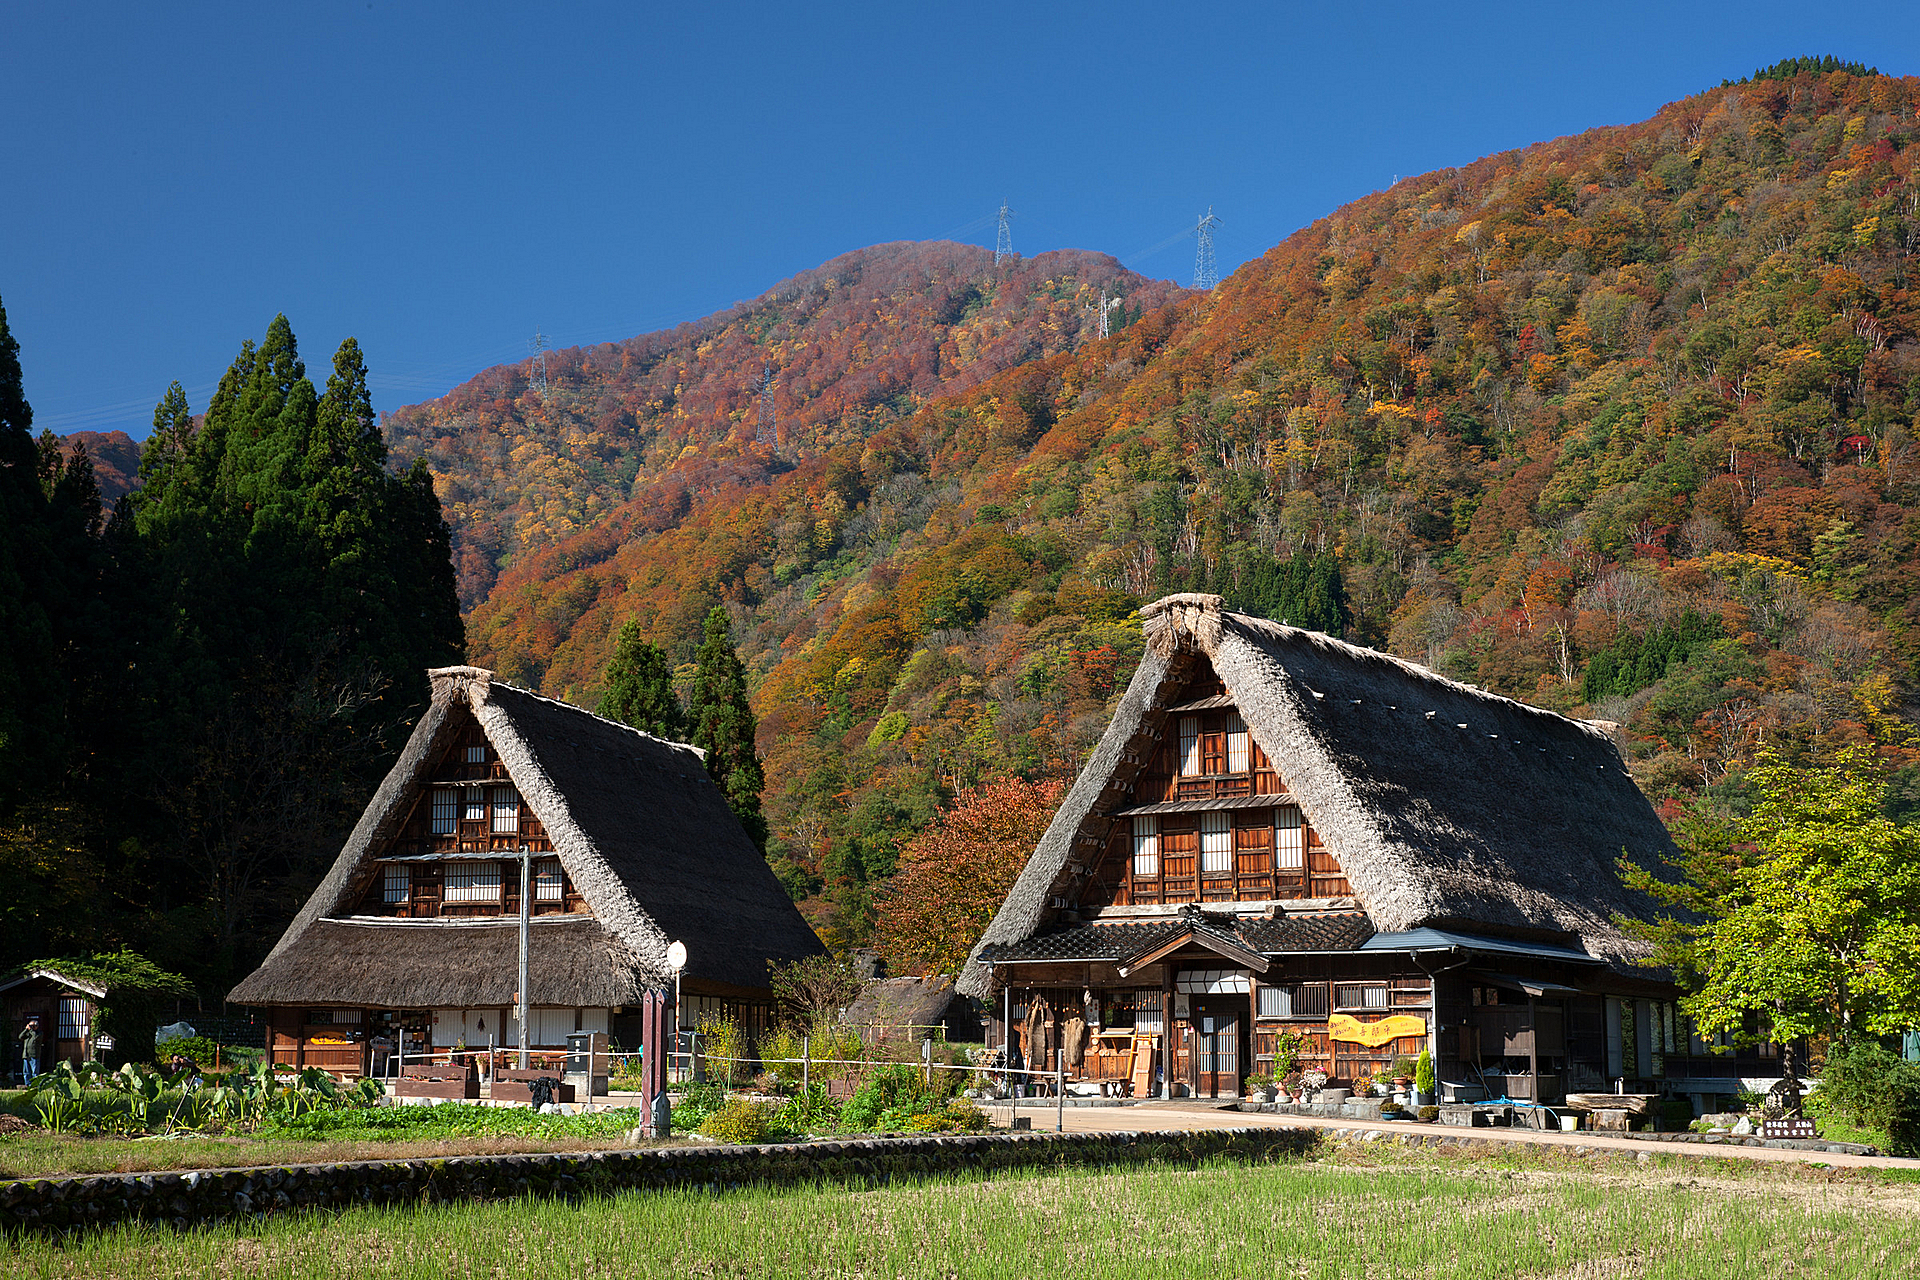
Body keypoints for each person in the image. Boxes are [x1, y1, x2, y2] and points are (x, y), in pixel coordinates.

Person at [17, 1015, 42, 1084]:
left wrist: (32, 1030)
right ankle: (27, 1084)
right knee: (26, 1072)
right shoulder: (27, 1033)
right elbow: (20, 1036)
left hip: (34, 1055)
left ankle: (35, 1084)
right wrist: (26, 1029)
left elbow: (35, 1038)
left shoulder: (39, 1033)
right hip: (26, 1054)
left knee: (34, 1072)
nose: (31, 1027)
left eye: (33, 1026)